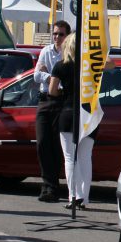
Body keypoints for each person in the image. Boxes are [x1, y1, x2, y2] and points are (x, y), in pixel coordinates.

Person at [49, 35, 90, 210]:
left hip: (67, 112)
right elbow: (110, 63)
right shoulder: (90, 67)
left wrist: (63, 93)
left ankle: (73, 196)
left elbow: (52, 90)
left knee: (69, 158)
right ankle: (84, 198)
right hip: (88, 114)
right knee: (85, 157)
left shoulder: (60, 66)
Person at [33, 19, 71, 202]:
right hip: (45, 101)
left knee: (57, 145)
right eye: (54, 33)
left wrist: (49, 76)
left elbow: (66, 81)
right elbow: (36, 75)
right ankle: (46, 184)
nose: (56, 37)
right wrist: (51, 76)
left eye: (60, 34)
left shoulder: (69, 55)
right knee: (42, 143)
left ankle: (52, 187)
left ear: (67, 36)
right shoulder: (46, 51)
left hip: (61, 101)